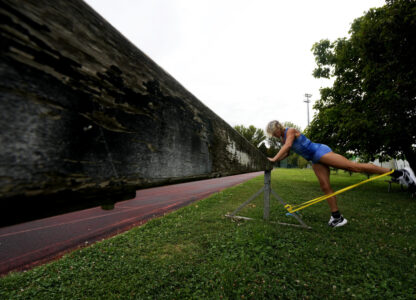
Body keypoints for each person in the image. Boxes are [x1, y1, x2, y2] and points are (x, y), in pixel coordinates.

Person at [266, 120, 416, 227]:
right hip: (314, 159)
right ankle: (337, 217)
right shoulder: (282, 139)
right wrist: (274, 160)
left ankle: (398, 173)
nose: (273, 135)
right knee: (325, 186)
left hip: (319, 151)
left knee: (353, 167)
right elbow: (287, 152)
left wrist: (273, 158)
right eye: (272, 134)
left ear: (278, 127)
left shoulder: (290, 132)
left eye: (273, 132)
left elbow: (288, 146)